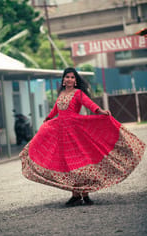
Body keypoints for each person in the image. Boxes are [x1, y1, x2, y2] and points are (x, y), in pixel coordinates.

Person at [19, 67, 146, 207]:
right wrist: (48, 118)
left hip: (76, 130)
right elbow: (56, 108)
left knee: (80, 160)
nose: (69, 79)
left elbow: (89, 104)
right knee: (68, 162)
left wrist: (101, 111)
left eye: (72, 77)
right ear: (63, 80)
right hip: (62, 132)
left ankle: (84, 194)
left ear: (75, 80)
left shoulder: (78, 93)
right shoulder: (61, 93)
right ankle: (75, 195)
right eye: (67, 77)